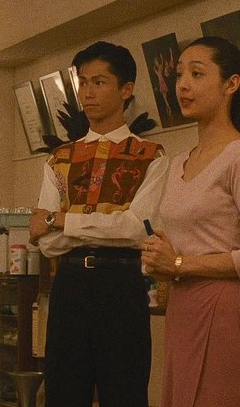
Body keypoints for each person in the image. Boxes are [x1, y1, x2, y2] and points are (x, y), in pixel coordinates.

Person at [140, 36, 240, 407]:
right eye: (179, 75)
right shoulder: (180, 161)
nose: (182, 85)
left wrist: (180, 263)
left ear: (231, 84)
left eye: (197, 74)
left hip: (223, 305)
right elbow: (186, 244)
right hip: (182, 304)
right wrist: (163, 258)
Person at [30, 41, 170, 407]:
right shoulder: (59, 158)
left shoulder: (150, 156)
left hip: (121, 284)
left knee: (125, 393)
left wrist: (62, 220)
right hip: (69, 284)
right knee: (63, 394)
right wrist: (97, 226)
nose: (88, 92)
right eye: (83, 82)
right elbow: (47, 242)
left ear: (126, 89)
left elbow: (136, 229)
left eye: (100, 82)